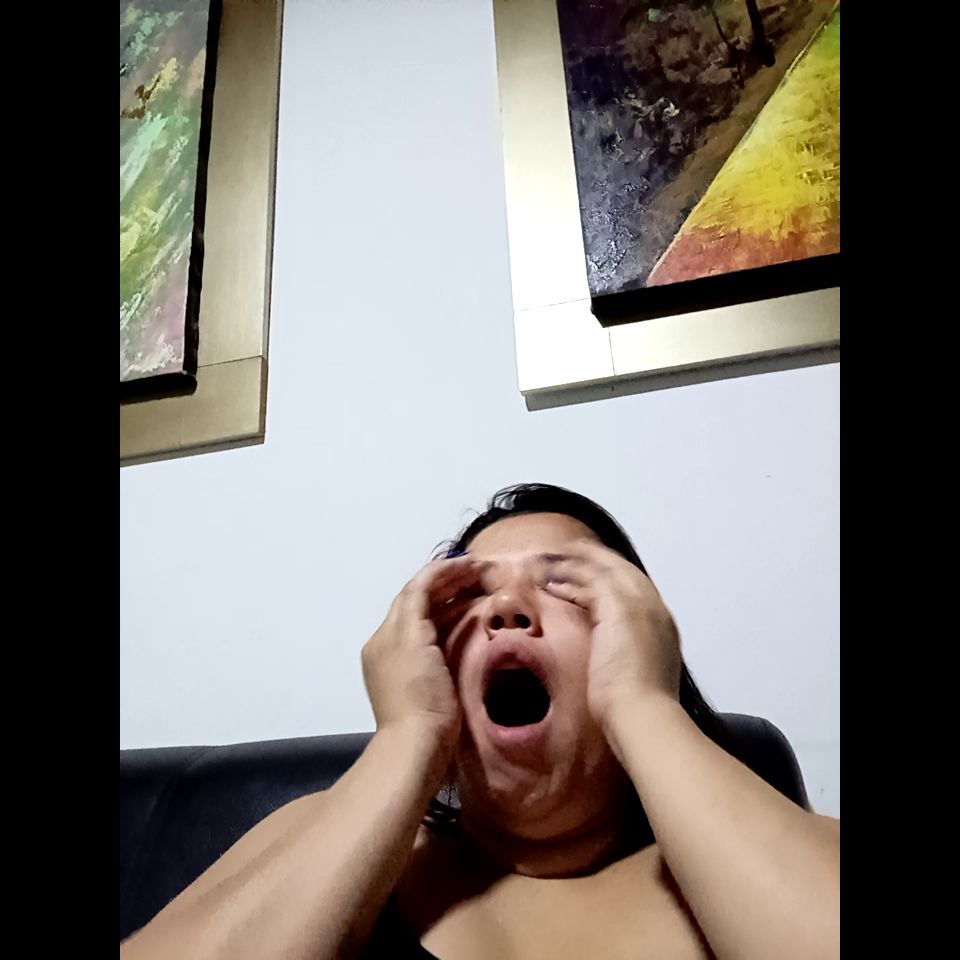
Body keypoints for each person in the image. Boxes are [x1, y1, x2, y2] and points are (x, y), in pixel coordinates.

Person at [120, 483, 840, 960]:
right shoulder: (317, 829)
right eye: (468, 595)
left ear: (639, 636)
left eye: (566, 584)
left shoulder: (766, 839)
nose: (506, 608)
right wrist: (405, 740)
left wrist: (646, 708)